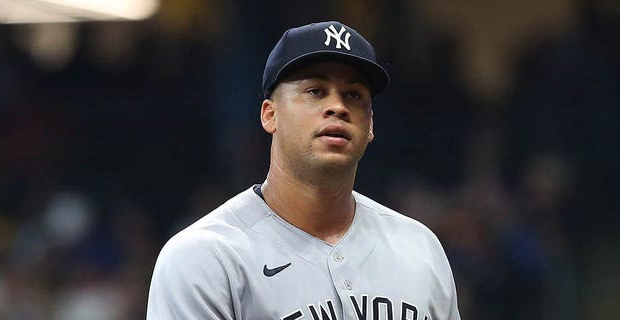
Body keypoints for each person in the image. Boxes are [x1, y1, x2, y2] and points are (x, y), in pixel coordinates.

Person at [147, 21, 461, 320]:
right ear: (270, 115)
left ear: (370, 125)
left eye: (353, 95)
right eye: (315, 91)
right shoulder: (205, 258)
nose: (338, 107)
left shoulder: (420, 248)